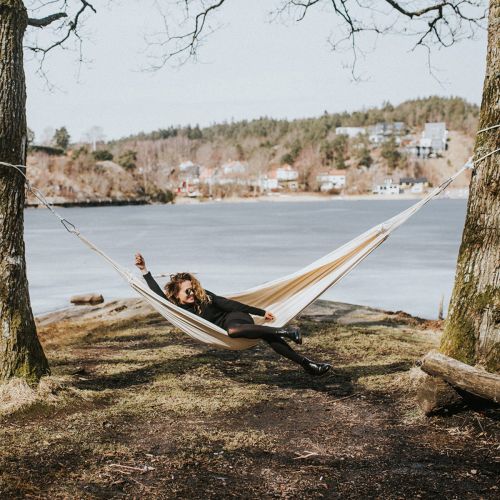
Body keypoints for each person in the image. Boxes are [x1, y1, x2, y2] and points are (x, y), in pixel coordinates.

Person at [134, 253, 331, 376]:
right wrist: (144, 270)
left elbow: (229, 304)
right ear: (176, 294)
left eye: (192, 289)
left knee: (234, 329)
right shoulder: (176, 308)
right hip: (228, 329)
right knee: (265, 334)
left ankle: (284, 331)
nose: (192, 293)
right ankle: (308, 364)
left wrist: (261, 311)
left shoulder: (205, 296)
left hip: (236, 319)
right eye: (187, 291)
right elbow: (156, 294)